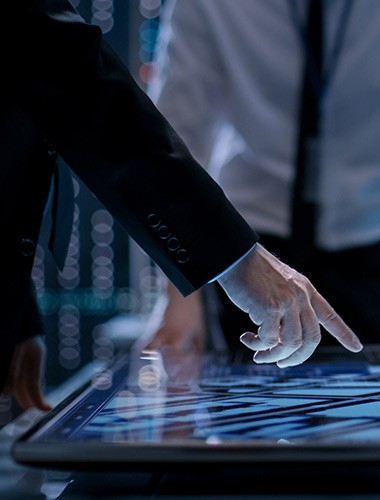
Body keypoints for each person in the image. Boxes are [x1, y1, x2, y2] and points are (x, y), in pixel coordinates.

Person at [2, 0, 361, 413]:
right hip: (250, 239)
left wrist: (16, 311)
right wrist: (234, 261)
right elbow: (77, 80)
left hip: (372, 248)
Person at [145, 0, 380, 354]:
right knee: (243, 394)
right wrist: (179, 295)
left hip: (374, 256)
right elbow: (178, 136)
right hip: (250, 252)